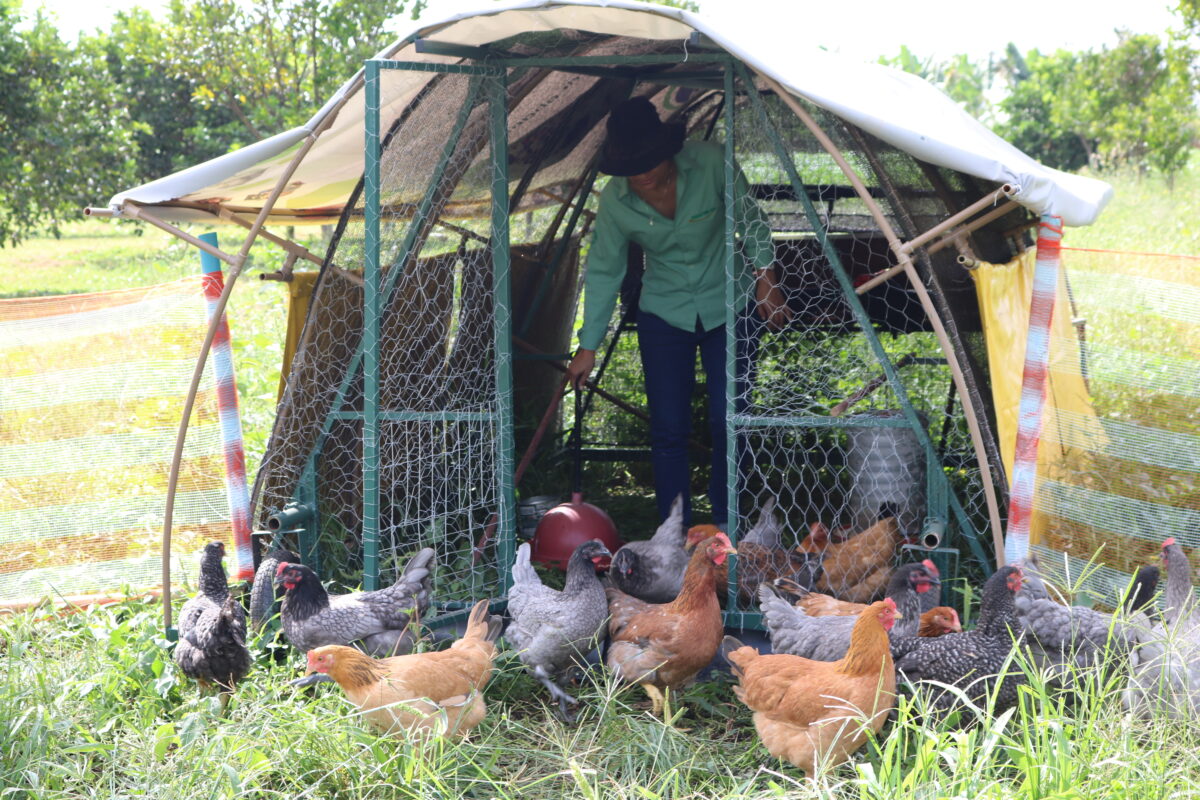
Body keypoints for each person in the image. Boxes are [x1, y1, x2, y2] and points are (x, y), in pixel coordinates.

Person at [565, 96, 792, 528]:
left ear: (668, 151)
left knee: (730, 419)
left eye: (649, 161)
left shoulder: (711, 163)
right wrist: (587, 346)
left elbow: (752, 220)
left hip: (731, 302)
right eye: (631, 168)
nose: (642, 174)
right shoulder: (615, 202)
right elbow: (604, 271)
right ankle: (674, 532)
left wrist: (767, 278)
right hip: (664, 313)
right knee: (668, 430)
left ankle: (728, 528)